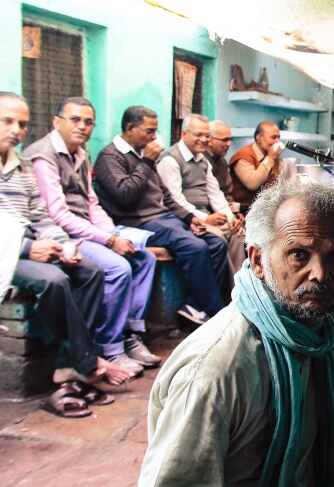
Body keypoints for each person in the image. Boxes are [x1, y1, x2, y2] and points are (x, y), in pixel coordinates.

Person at [140, 180, 334, 486]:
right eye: (298, 254)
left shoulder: (327, 328)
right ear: (258, 261)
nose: (320, 274)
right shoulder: (212, 370)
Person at [0, 92, 133, 395]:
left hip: (28, 244)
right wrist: (26, 248)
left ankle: (69, 363)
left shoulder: (21, 165)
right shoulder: (40, 156)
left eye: (22, 124)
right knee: (55, 280)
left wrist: (64, 245)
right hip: (7, 252)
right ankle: (85, 362)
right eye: (7, 121)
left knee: (90, 271)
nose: (16, 130)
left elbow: (41, 216)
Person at [25, 97, 159, 373]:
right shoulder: (42, 156)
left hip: (88, 229)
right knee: (118, 268)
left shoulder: (80, 153)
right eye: (75, 120)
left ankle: (130, 333)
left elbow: (91, 203)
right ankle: (109, 347)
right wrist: (109, 241)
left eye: (88, 122)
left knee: (143, 257)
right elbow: (58, 215)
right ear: (56, 121)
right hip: (61, 235)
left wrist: (112, 232)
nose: (82, 127)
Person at [93, 105, 227, 326]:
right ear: (129, 128)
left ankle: (194, 305)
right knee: (195, 246)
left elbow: (165, 194)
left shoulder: (142, 155)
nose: (154, 137)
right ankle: (216, 313)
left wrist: (189, 218)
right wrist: (146, 162)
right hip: (139, 222)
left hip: (165, 219)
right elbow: (124, 196)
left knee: (215, 242)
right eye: (149, 131)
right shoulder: (110, 156)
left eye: (155, 131)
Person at [156, 114, 246, 288]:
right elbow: (174, 200)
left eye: (206, 135)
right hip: (185, 219)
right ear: (184, 135)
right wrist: (205, 219)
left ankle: (237, 291)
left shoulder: (202, 160)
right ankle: (220, 293)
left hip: (204, 216)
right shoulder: (170, 160)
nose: (203, 139)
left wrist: (230, 218)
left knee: (238, 233)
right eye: (198, 134)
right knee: (218, 237)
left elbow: (215, 193)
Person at [229, 121, 283, 214]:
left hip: (266, 209)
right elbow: (252, 184)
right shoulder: (243, 156)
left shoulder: (273, 156)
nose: (277, 141)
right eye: (273, 137)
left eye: (278, 137)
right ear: (259, 138)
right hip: (245, 210)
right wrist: (269, 158)